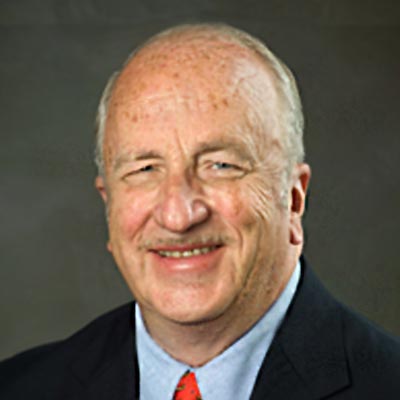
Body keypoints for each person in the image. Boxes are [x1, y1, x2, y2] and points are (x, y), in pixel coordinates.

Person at [1, 23, 399, 399]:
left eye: (220, 165)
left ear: (293, 200)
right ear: (109, 205)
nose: (178, 216)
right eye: (145, 169)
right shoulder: (20, 387)